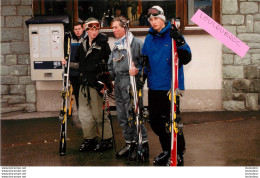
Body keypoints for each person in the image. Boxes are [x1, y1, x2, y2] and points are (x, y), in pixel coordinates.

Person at [140, 6, 192, 166]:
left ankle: (178, 150)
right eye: (151, 20)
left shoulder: (173, 34)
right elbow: (145, 60)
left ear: (162, 18)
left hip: (170, 86)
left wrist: (180, 41)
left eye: (156, 19)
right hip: (154, 85)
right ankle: (167, 150)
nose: (153, 22)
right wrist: (142, 75)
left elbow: (186, 58)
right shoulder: (149, 38)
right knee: (155, 121)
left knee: (172, 121)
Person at [108, 16, 149, 161]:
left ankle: (142, 144)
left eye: (116, 27)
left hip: (131, 82)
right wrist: (110, 80)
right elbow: (110, 64)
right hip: (118, 83)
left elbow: (146, 64)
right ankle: (129, 143)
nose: (113, 30)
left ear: (124, 28)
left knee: (134, 113)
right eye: (112, 27)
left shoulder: (136, 44)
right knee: (122, 116)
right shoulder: (116, 45)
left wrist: (138, 73)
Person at [70, 17, 113, 152]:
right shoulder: (83, 44)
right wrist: (67, 63)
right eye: (91, 29)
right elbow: (79, 64)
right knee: (84, 114)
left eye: (96, 29)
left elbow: (109, 65)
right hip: (83, 83)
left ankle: (106, 139)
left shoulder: (103, 43)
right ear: (86, 30)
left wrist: (106, 83)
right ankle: (90, 138)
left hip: (97, 83)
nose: (94, 32)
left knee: (99, 114)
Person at [63, 22, 87, 110]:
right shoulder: (70, 39)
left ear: (83, 29)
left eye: (79, 29)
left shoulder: (86, 39)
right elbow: (66, 53)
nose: (77, 31)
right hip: (73, 71)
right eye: (75, 29)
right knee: (76, 93)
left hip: (83, 71)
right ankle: (80, 110)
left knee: (84, 93)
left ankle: (86, 111)